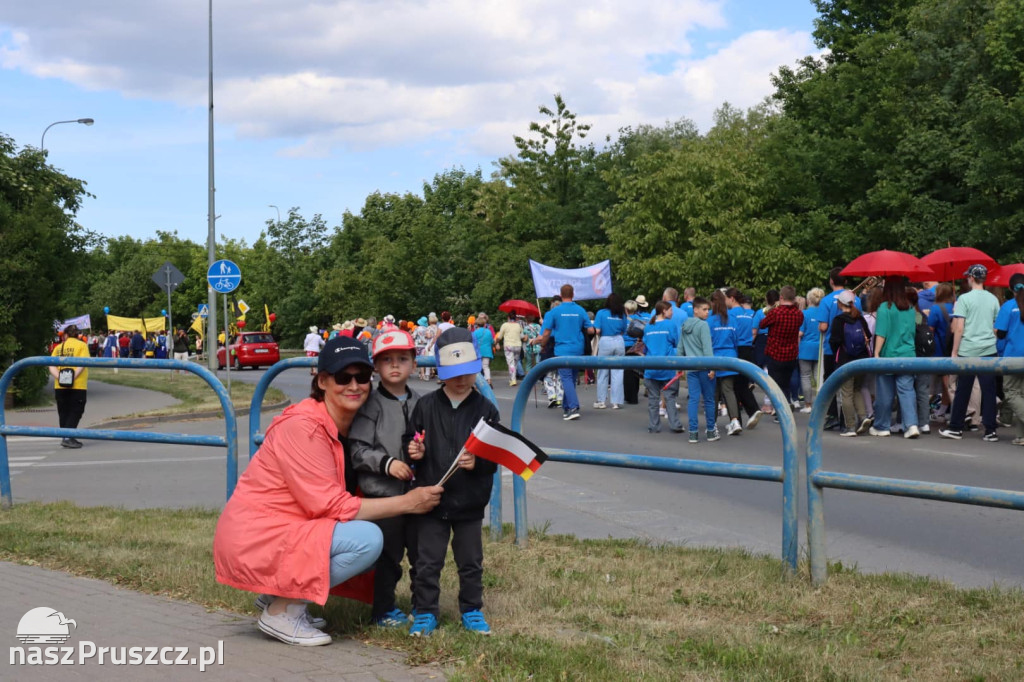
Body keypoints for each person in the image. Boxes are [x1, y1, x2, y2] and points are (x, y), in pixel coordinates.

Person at [213, 336, 443, 647]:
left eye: (362, 377)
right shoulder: (304, 427)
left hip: (282, 529)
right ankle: (283, 610)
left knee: (375, 530)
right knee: (370, 538)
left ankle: (276, 594)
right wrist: (408, 503)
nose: (354, 385)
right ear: (322, 381)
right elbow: (330, 506)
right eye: (342, 377)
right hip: (256, 537)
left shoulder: (348, 426)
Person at [405, 327, 500, 637]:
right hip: (432, 499)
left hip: (470, 501)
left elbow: (494, 455)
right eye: (454, 373)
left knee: (470, 561)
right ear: (441, 373)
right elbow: (413, 438)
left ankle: (472, 610)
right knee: (427, 561)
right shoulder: (426, 405)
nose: (461, 380)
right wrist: (414, 451)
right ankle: (425, 610)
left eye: (468, 373)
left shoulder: (486, 409)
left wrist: (479, 462)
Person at [349, 330, 422, 628]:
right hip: (383, 498)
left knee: (423, 555)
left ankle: (424, 607)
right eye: (387, 360)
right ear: (376, 367)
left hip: (417, 496)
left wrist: (423, 451)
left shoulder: (422, 402)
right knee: (388, 558)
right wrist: (387, 464)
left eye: (402, 359)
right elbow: (357, 450)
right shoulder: (371, 406)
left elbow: (426, 438)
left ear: (414, 364)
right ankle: (383, 609)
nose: (395, 366)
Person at [940, 264, 1001, 442]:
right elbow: (996, 327)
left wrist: (954, 351)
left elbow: (959, 328)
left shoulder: (964, 299)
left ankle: (956, 427)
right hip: (989, 350)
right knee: (989, 391)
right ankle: (990, 430)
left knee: (963, 390)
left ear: (971, 278)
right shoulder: (993, 299)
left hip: (967, 350)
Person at [533, 284, 595, 421]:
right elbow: (590, 330)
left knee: (566, 378)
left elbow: (546, 333)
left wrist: (543, 345)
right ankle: (567, 407)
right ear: (573, 295)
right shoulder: (580, 310)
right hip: (577, 349)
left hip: (562, 349)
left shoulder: (553, 313)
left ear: (561, 295)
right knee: (571, 378)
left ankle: (573, 407)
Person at [871, 276, 919, 438]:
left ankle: (882, 425)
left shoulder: (884, 308)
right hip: (908, 354)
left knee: (885, 393)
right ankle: (911, 424)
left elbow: (881, 333)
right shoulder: (910, 308)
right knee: (907, 391)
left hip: (889, 355)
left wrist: (876, 353)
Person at [817, 268, 861, 430]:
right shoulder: (856, 299)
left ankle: (833, 415)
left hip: (832, 348)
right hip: (852, 348)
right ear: (846, 281)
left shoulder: (827, 300)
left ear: (831, 281)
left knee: (831, 383)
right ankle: (847, 418)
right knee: (848, 385)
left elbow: (823, 327)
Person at [828, 291, 873, 436]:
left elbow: (834, 341)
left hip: (845, 360)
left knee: (846, 393)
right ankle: (863, 417)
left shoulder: (839, 320)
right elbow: (868, 336)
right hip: (862, 360)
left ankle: (850, 426)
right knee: (857, 389)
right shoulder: (859, 317)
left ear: (840, 304)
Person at [679, 296, 719, 443]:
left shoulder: (684, 325)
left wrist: (679, 366)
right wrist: (712, 367)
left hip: (691, 368)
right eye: (704, 309)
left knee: (693, 400)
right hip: (704, 367)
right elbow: (707, 349)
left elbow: (680, 348)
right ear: (695, 310)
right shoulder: (703, 326)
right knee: (709, 400)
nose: (707, 312)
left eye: (708, 309)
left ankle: (693, 433)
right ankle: (710, 431)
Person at [758, 285, 804, 412]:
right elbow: (799, 324)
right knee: (786, 384)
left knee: (775, 385)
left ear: (781, 297)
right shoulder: (799, 314)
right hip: (791, 354)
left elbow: (762, 324)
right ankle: (787, 405)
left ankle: (780, 411)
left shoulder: (775, 312)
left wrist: (772, 308)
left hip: (775, 353)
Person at [642, 301, 682, 433]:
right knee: (670, 397)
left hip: (651, 367)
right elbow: (676, 342)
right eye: (670, 310)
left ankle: (654, 426)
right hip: (667, 367)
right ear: (664, 311)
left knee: (653, 399)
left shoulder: (648, 327)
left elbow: (645, 346)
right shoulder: (670, 325)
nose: (672, 312)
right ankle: (675, 424)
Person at [49, 325, 90, 449]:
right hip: (78, 385)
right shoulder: (82, 346)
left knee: (63, 411)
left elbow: (50, 364)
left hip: (60, 385)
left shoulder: (58, 347)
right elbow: (82, 363)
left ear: (65, 335)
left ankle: (65, 436)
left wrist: (59, 378)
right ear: (78, 335)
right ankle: (68, 437)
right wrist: (73, 377)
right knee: (76, 410)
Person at [996, 273, 1024, 446]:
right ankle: (1021, 436)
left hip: (1013, 356)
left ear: (1009, 288)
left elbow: (1001, 333)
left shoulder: (1008, 306)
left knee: (1012, 393)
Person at [927, 283, 956, 420]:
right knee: (950, 381)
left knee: (947, 382)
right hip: (954, 348)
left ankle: (958, 410)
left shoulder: (935, 309)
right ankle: (942, 410)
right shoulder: (956, 307)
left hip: (939, 348)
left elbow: (930, 329)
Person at [593, 293, 627, 409]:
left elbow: (597, 330)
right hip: (619, 340)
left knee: (603, 371)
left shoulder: (601, 313)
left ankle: (601, 401)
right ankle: (616, 401)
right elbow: (624, 330)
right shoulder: (622, 314)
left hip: (605, 340)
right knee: (618, 371)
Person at [797, 288, 825, 413]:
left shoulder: (804, 314)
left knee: (805, 376)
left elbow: (800, 333)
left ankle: (808, 405)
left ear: (809, 300)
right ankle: (820, 404)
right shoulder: (824, 312)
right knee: (818, 377)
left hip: (805, 348)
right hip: (820, 348)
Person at [496, 313, 524, 387]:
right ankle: (512, 377)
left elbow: (499, 336)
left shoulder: (505, 325)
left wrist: (496, 342)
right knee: (515, 363)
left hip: (508, 346)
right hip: (518, 346)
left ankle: (513, 379)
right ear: (515, 318)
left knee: (511, 363)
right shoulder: (519, 325)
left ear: (508, 317)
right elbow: (522, 336)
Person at [472, 314, 495, 386]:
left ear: (477, 324)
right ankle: (488, 380)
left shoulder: (475, 332)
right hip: (487, 352)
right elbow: (492, 342)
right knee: (486, 366)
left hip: (478, 352)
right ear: (484, 324)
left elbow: (472, 342)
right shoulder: (488, 331)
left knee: (477, 367)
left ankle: (478, 382)